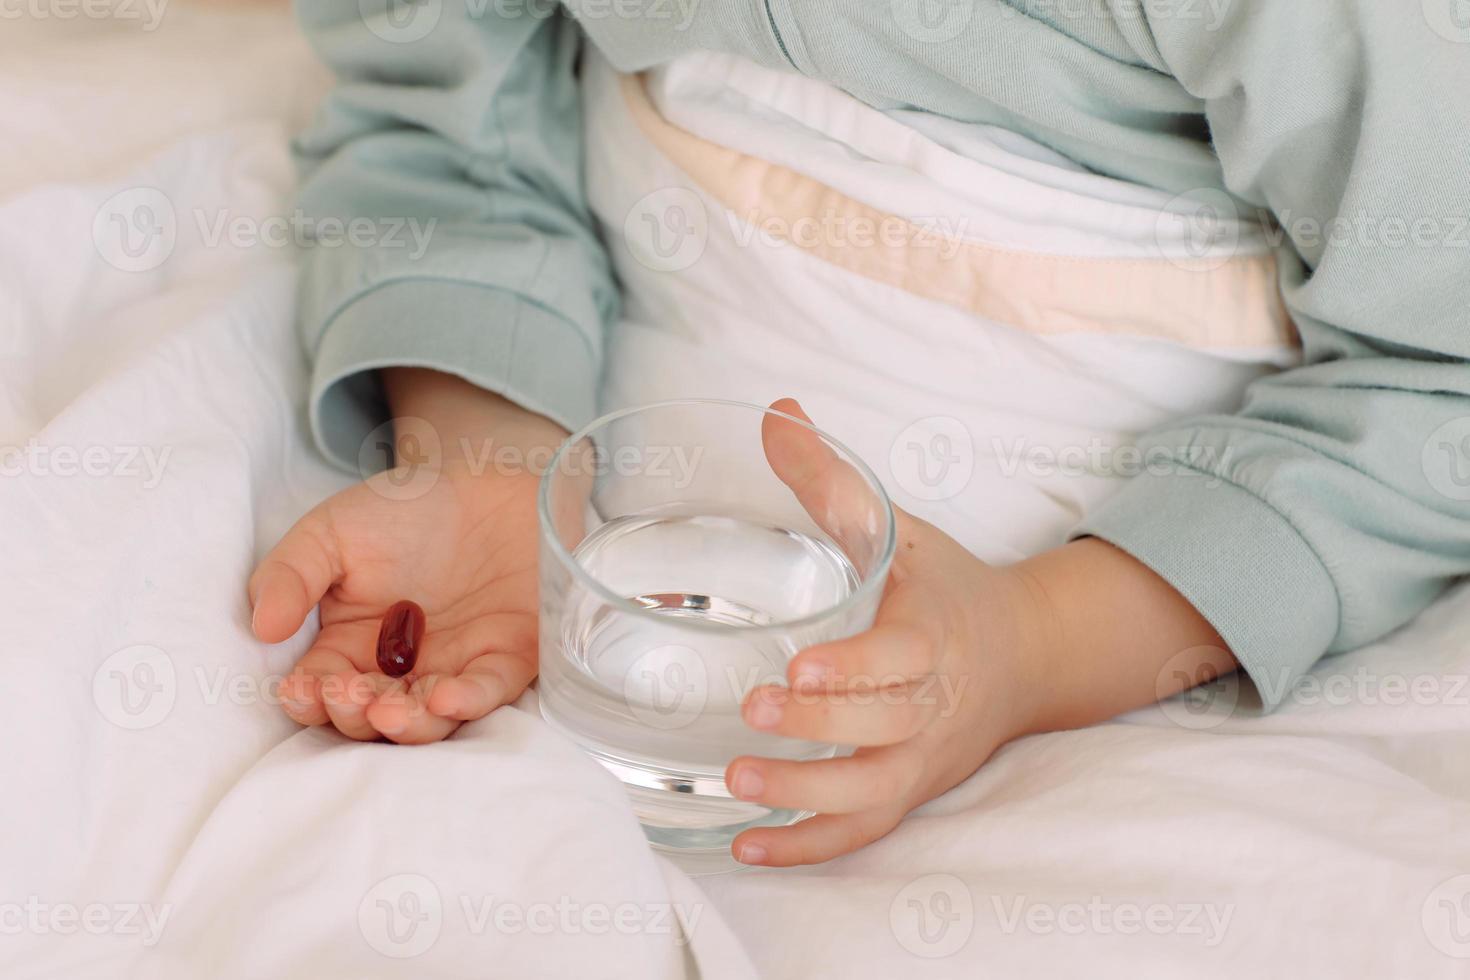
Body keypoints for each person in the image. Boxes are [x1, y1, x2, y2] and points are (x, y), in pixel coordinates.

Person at [248, 0, 1470, 868]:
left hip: (1100, 560)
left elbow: (1439, 373)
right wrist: (483, 444)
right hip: (623, 491)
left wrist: (1037, 644)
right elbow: (446, 124)